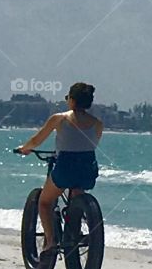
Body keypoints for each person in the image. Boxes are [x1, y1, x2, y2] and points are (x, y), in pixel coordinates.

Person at [18, 82, 103, 256]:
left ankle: (50, 241)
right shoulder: (97, 124)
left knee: (44, 202)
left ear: (72, 100)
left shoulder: (59, 119)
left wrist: (24, 148)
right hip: (87, 170)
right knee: (77, 192)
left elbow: (36, 140)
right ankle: (76, 229)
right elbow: (89, 145)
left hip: (65, 168)